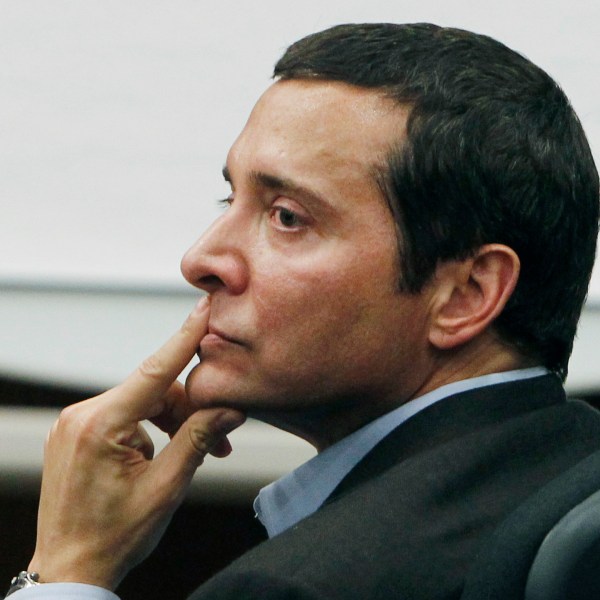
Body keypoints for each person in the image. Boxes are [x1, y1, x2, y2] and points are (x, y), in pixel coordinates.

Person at [8, 22, 600, 600]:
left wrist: (66, 569)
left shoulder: (298, 586)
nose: (201, 259)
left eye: (287, 216)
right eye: (229, 197)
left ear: (466, 295)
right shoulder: (575, 475)